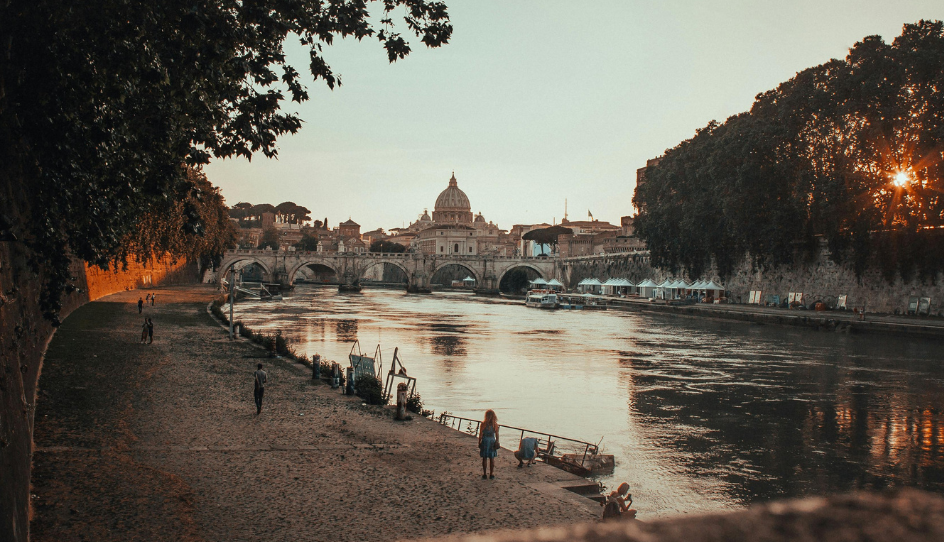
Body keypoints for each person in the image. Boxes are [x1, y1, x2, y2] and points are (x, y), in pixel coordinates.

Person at [478, 409, 499, 479]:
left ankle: (484, 474)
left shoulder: (483, 424)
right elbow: (497, 434)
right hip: (492, 441)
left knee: (484, 458)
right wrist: (497, 441)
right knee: (492, 458)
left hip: (485, 441)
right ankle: (491, 474)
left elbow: (480, 434)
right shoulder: (495, 424)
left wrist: (479, 442)